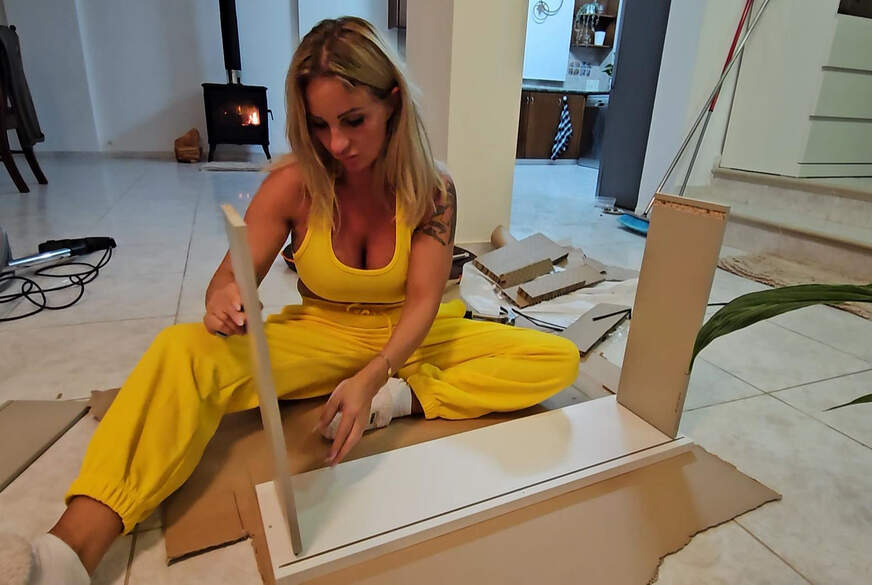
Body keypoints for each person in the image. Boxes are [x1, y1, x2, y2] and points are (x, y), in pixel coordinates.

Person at [0, 17, 578, 585]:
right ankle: (70, 549)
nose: (337, 143)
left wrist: (377, 378)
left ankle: (402, 400)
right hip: (321, 334)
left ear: (394, 104)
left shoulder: (433, 187)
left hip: (411, 334)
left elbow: (425, 301)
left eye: (354, 120)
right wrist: (224, 298)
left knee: (555, 358)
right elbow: (228, 278)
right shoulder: (293, 183)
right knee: (182, 350)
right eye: (319, 125)